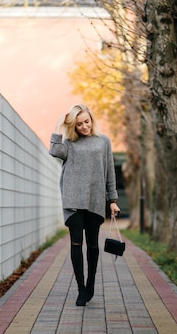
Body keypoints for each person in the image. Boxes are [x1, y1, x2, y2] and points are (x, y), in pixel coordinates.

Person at [49, 103, 120, 306]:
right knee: (76, 243)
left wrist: (112, 200)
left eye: (86, 122)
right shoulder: (69, 143)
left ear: (92, 120)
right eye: (79, 124)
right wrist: (58, 127)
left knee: (93, 245)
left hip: (95, 199)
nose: (84, 126)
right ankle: (81, 289)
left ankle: (91, 283)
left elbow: (109, 172)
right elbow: (54, 151)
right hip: (72, 200)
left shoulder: (103, 142)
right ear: (74, 125)